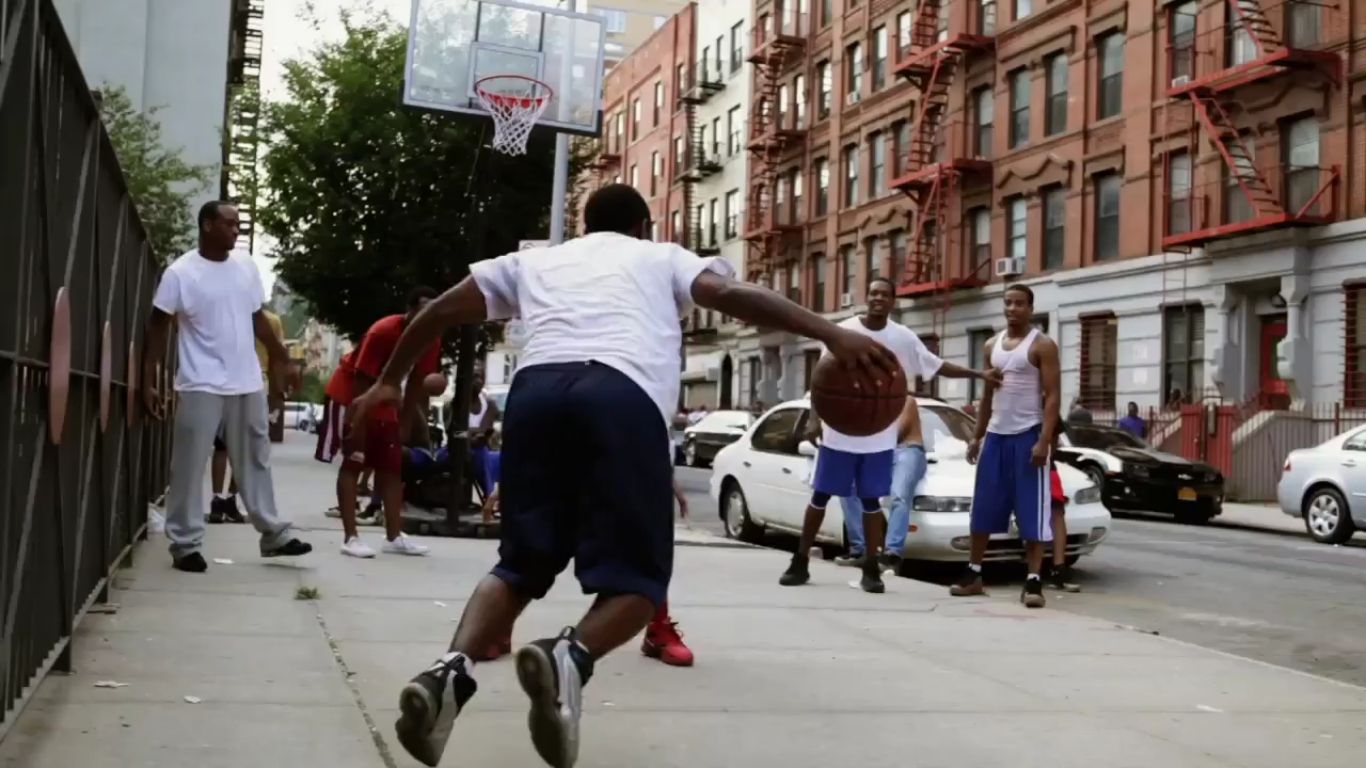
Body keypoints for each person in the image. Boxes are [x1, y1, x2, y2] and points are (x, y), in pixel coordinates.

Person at [348, 183, 896, 768]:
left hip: (535, 396)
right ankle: (570, 657)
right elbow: (730, 292)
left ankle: (447, 674)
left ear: (584, 225)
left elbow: (437, 311)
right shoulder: (660, 257)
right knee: (638, 584)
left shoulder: (538, 262)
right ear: (643, 227)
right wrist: (831, 332)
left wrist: (389, 382)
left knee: (518, 566)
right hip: (621, 392)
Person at [781, 278, 998, 592]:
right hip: (839, 431)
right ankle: (800, 561)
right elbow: (821, 379)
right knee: (820, 495)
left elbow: (936, 365)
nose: (878, 298)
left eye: (884, 294)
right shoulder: (843, 330)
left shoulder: (902, 337)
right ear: (866, 297)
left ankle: (872, 568)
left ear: (893, 301)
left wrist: (977, 374)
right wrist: (815, 419)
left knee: (871, 501)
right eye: (873, 293)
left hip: (877, 432)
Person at [142, 201, 312, 572]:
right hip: (200, 381)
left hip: (246, 380)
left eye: (238, 225)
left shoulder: (245, 266)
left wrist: (283, 358)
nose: (235, 231)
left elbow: (257, 319)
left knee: (255, 458)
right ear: (207, 225)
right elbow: (157, 326)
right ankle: (185, 544)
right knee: (190, 464)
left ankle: (273, 533)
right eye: (229, 224)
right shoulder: (180, 273)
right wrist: (149, 378)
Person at [952, 284, 1062, 608]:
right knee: (983, 508)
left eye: (1019, 304)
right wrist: (977, 436)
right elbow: (987, 395)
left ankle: (1033, 581)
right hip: (996, 437)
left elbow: (1053, 396)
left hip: (1028, 435)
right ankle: (974, 574)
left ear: (1030, 308)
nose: (1012, 309)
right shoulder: (991, 345)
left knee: (1032, 512)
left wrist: (1044, 440)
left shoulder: (1042, 345)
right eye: (1008, 303)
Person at [334, 289, 441, 558]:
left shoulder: (431, 336)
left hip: (386, 397)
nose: (427, 316)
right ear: (409, 310)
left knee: (392, 467)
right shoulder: (382, 332)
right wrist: (358, 424)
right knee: (354, 460)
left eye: (432, 310)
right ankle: (350, 537)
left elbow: (416, 383)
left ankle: (394, 537)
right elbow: (361, 378)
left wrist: (405, 425)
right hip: (353, 392)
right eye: (422, 310)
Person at [210, 308, 286, 524]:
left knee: (221, 445)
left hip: (224, 379)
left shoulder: (227, 313)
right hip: (255, 382)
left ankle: (218, 500)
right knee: (245, 448)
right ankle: (230, 499)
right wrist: (277, 392)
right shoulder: (272, 321)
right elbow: (276, 356)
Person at [1046, 462, 1081, 592]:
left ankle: (1058, 570)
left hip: (1046, 466)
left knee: (1056, 511)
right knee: (1054, 514)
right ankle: (1052, 570)